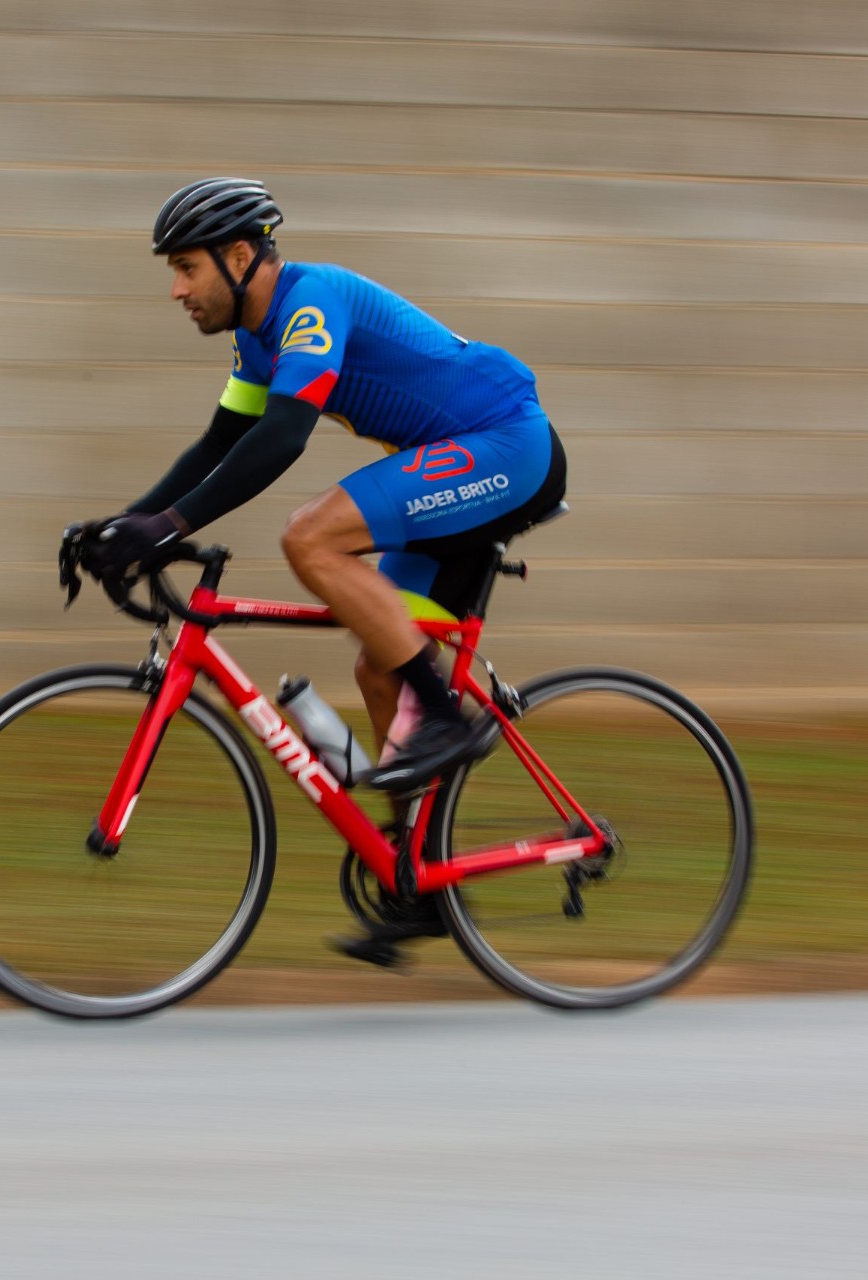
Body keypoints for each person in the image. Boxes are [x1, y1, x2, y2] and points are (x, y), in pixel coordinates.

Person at [78, 177, 569, 966]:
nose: (176, 289)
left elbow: (281, 439)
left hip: (507, 443)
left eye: (187, 268)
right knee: (383, 668)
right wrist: (125, 525)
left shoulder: (310, 303)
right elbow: (217, 447)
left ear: (241, 257)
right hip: (457, 460)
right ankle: (422, 885)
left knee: (310, 539)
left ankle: (446, 719)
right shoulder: (258, 339)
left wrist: (168, 528)